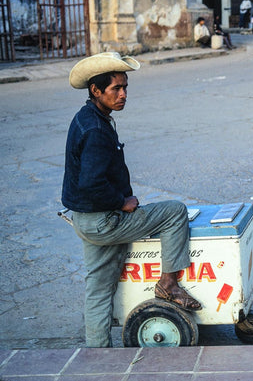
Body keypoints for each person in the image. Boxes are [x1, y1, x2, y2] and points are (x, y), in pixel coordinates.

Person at [62, 52, 202, 347]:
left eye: (125, 87)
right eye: (116, 89)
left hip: (86, 220)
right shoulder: (96, 129)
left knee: (98, 289)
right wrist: (120, 202)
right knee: (174, 212)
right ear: (95, 90)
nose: (123, 94)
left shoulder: (88, 117)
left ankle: (98, 354)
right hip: (103, 220)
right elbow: (90, 185)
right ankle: (168, 284)